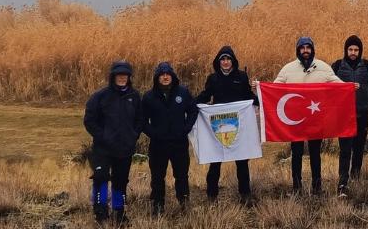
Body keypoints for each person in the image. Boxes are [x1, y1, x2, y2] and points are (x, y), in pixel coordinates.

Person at [275, 36, 342, 195]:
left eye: (308, 47)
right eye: (302, 48)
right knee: (296, 153)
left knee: (315, 153)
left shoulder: (323, 67)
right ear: (298, 50)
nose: (305, 51)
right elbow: (275, 87)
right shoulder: (288, 69)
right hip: (295, 119)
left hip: (315, 118)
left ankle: (317, 187)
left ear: (312, 50)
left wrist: (350, 87)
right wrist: (259, 88)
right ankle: (297, 187)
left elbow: (337, 84)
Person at [195, 45, 258, 203]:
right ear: (218, 62)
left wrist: (261, 99)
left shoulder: (241, 76)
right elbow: (206, 95)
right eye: (222, 59)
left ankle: (245, 194)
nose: (225, 62)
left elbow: (248, 95)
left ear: (233, 61)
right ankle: (211, 195)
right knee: (215, 162)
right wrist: (192, 103)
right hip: (218, 125)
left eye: (228, 59)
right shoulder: (213, 78)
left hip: (238, 124)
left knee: (242, 162)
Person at [83, 60, 142, 224]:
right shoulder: (100, 96)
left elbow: (140, 119)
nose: (122, 78)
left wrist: (133, 135)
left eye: (125, 75)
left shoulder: (135, 96)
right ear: (113, 76)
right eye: (119, 75)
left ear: (129, 77)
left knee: (120, 181)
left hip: (125, 148)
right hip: (103, 148)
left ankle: (119, 212)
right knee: (101, 178)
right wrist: (103, 136)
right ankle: (100, 213)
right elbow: (89, 120)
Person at [142, 61, 198, 215]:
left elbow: (193, 111)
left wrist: (186, 129)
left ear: (172, 76)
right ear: (157, 78)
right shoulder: (149, 97)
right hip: (158, 144)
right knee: (157, 177)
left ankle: (184, 203)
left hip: (179, 143)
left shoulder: (183, 93)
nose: (165, 77)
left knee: (181, 175)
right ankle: (157, 206)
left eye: (168, 74)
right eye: (162, 75)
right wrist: (153, 133)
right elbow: (142, 120)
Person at [331, 35, 368, 196]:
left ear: (360, 51)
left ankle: (356, 176)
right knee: (345, 149)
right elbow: (330, 87)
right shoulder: (337, 66)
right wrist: (346, 88)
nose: (353, 52)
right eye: (350, 49)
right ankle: (343, 181)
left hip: (362, 113)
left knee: (359, 147)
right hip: (344, 114)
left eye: (356, 50)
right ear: (346, 50)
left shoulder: (366, 66)